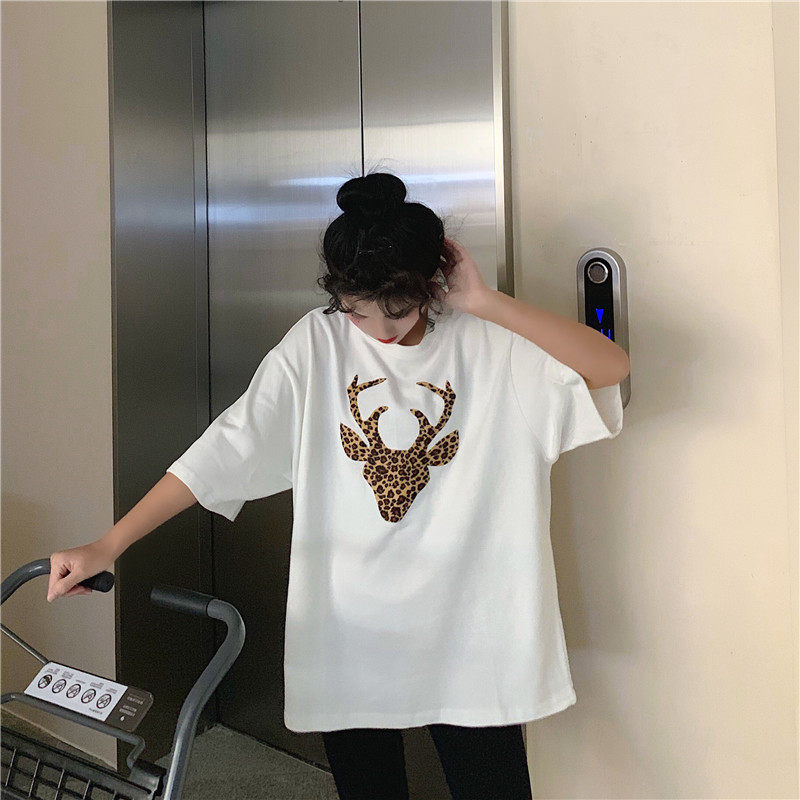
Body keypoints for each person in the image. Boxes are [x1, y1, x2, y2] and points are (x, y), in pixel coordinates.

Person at [47, 171, 627, 799]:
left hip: (472, 621)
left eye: (398, 309)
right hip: (350, 619)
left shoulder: (490, 344)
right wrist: (108, 544)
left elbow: (610, 367)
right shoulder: (315, 343)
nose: (379, 330)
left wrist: (485, 302)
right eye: (355, 310)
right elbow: (225, 448)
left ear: (429, 285)